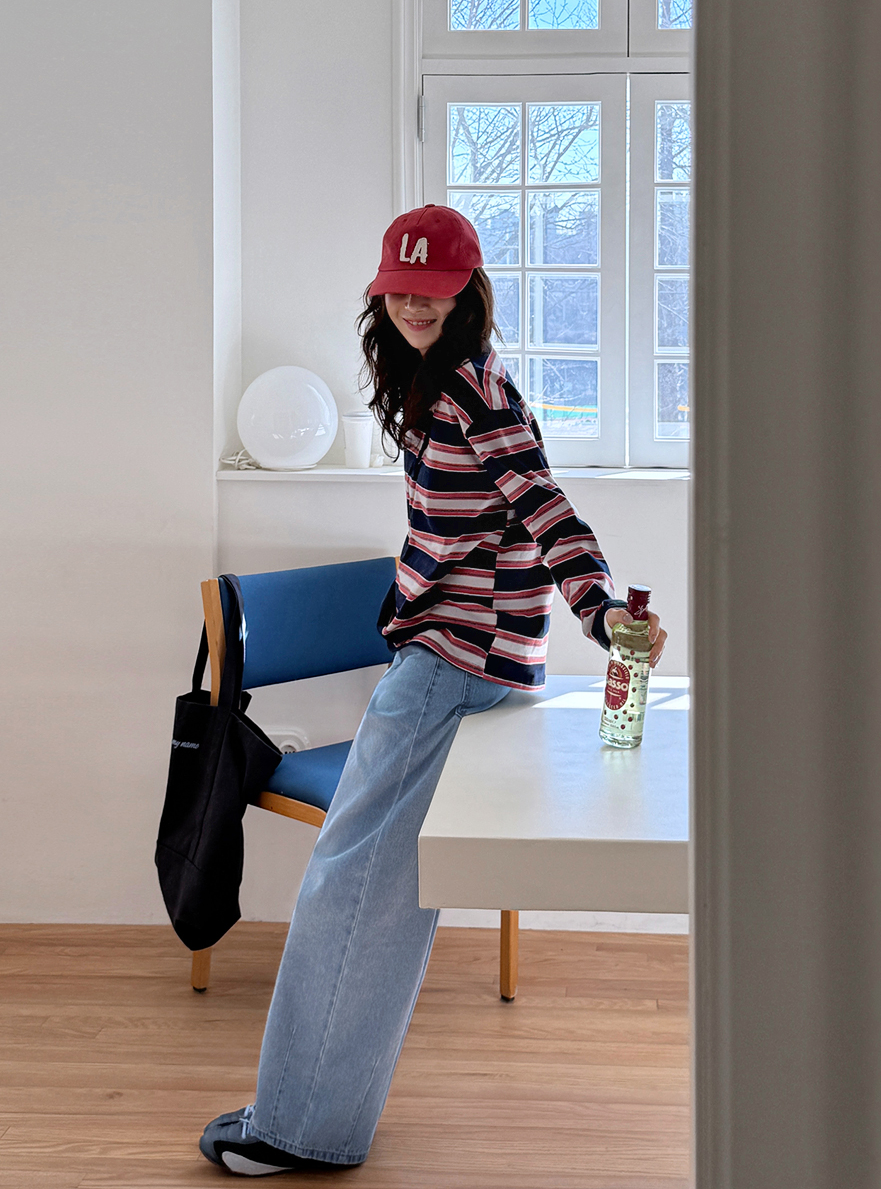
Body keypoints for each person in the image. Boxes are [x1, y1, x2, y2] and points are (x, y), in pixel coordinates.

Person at [200, 205, 667, 1175]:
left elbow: (549, 511)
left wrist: (602, 611)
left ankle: (297, 1127)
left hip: (448, 668)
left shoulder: (470, 392)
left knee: (350, 888)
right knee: (384, 891)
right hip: (460, 657)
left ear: (469, 293)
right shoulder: (445, 381)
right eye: (401, 289)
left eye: (435, 291)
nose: (416, 305)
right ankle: (320, 1115)